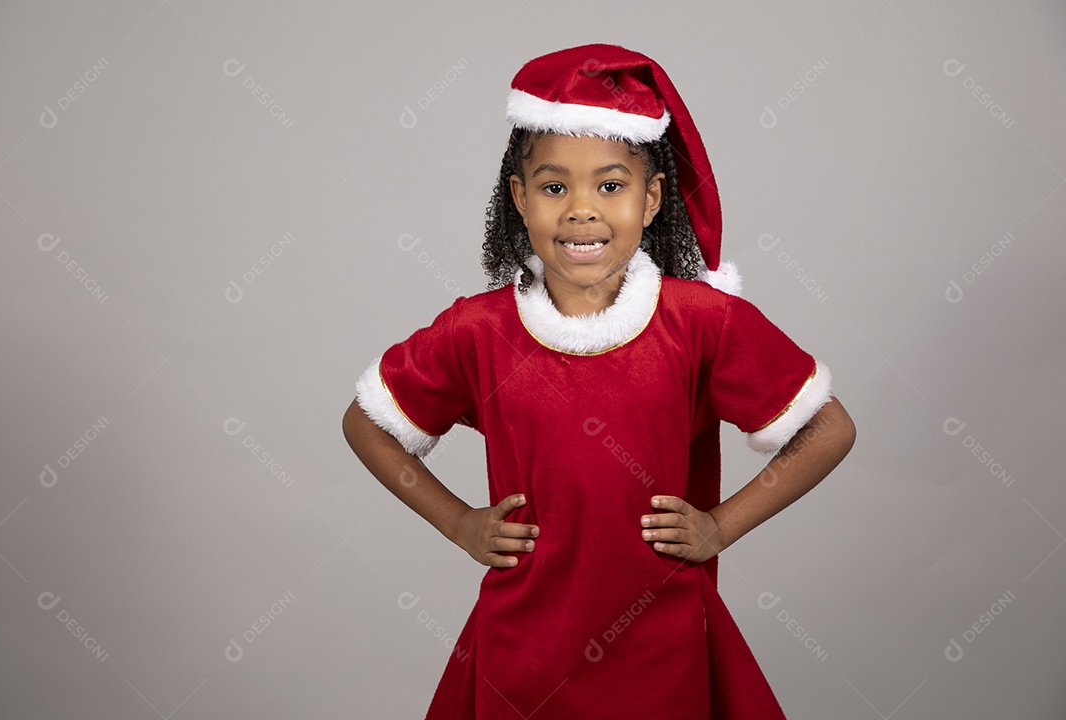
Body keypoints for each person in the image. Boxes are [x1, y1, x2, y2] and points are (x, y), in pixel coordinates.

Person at [342, 43, 856, 720]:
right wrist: (459, 524)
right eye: (555, 187)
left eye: (610, 186)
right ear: (521, 199)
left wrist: (721, 527)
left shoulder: (702, 321)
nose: (582, 210)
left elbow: (829, 429)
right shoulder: (479, 329)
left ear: (652, 199)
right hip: (521, 645)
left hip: (661, 639)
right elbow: (367, 423)